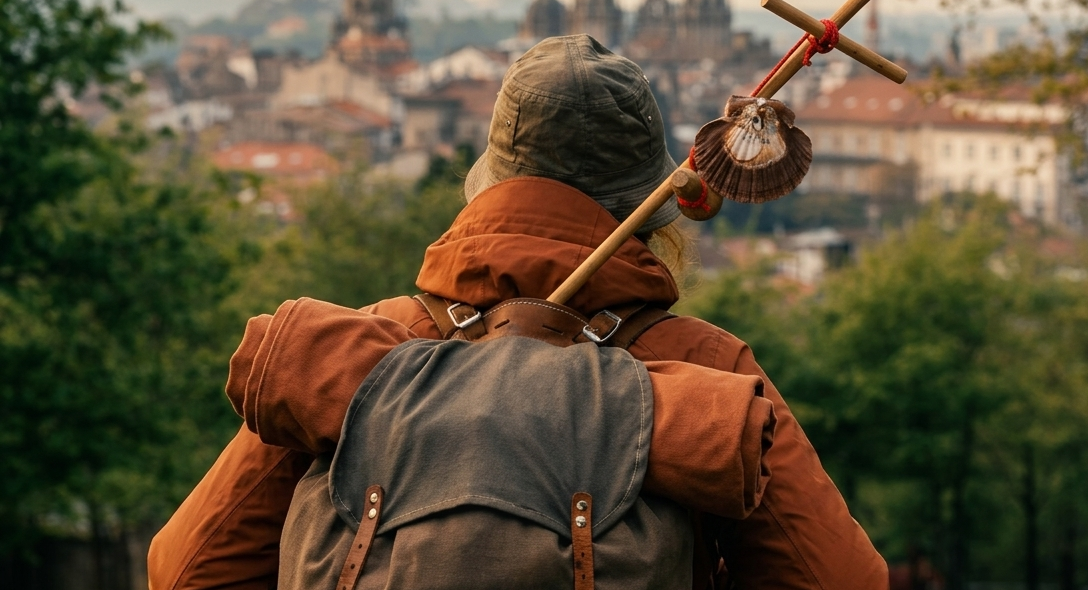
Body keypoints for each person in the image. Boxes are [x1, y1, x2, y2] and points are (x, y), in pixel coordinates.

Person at [148, 34, 887, 590]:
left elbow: (185, 571)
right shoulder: (703, 369)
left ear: (487, 185)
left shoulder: (358, 352)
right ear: (651, 206)